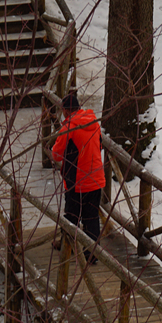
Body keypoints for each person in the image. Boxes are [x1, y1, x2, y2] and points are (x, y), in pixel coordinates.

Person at [51, 94, 105, 264]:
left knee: (72, 214)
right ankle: (91, 252)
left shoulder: (69, 127)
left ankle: (67, 244)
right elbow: (101, 144)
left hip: (77, 179)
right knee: (91, 217)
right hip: (96, 176)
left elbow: (56, 154)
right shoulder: (93, 122)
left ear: (66, 110)